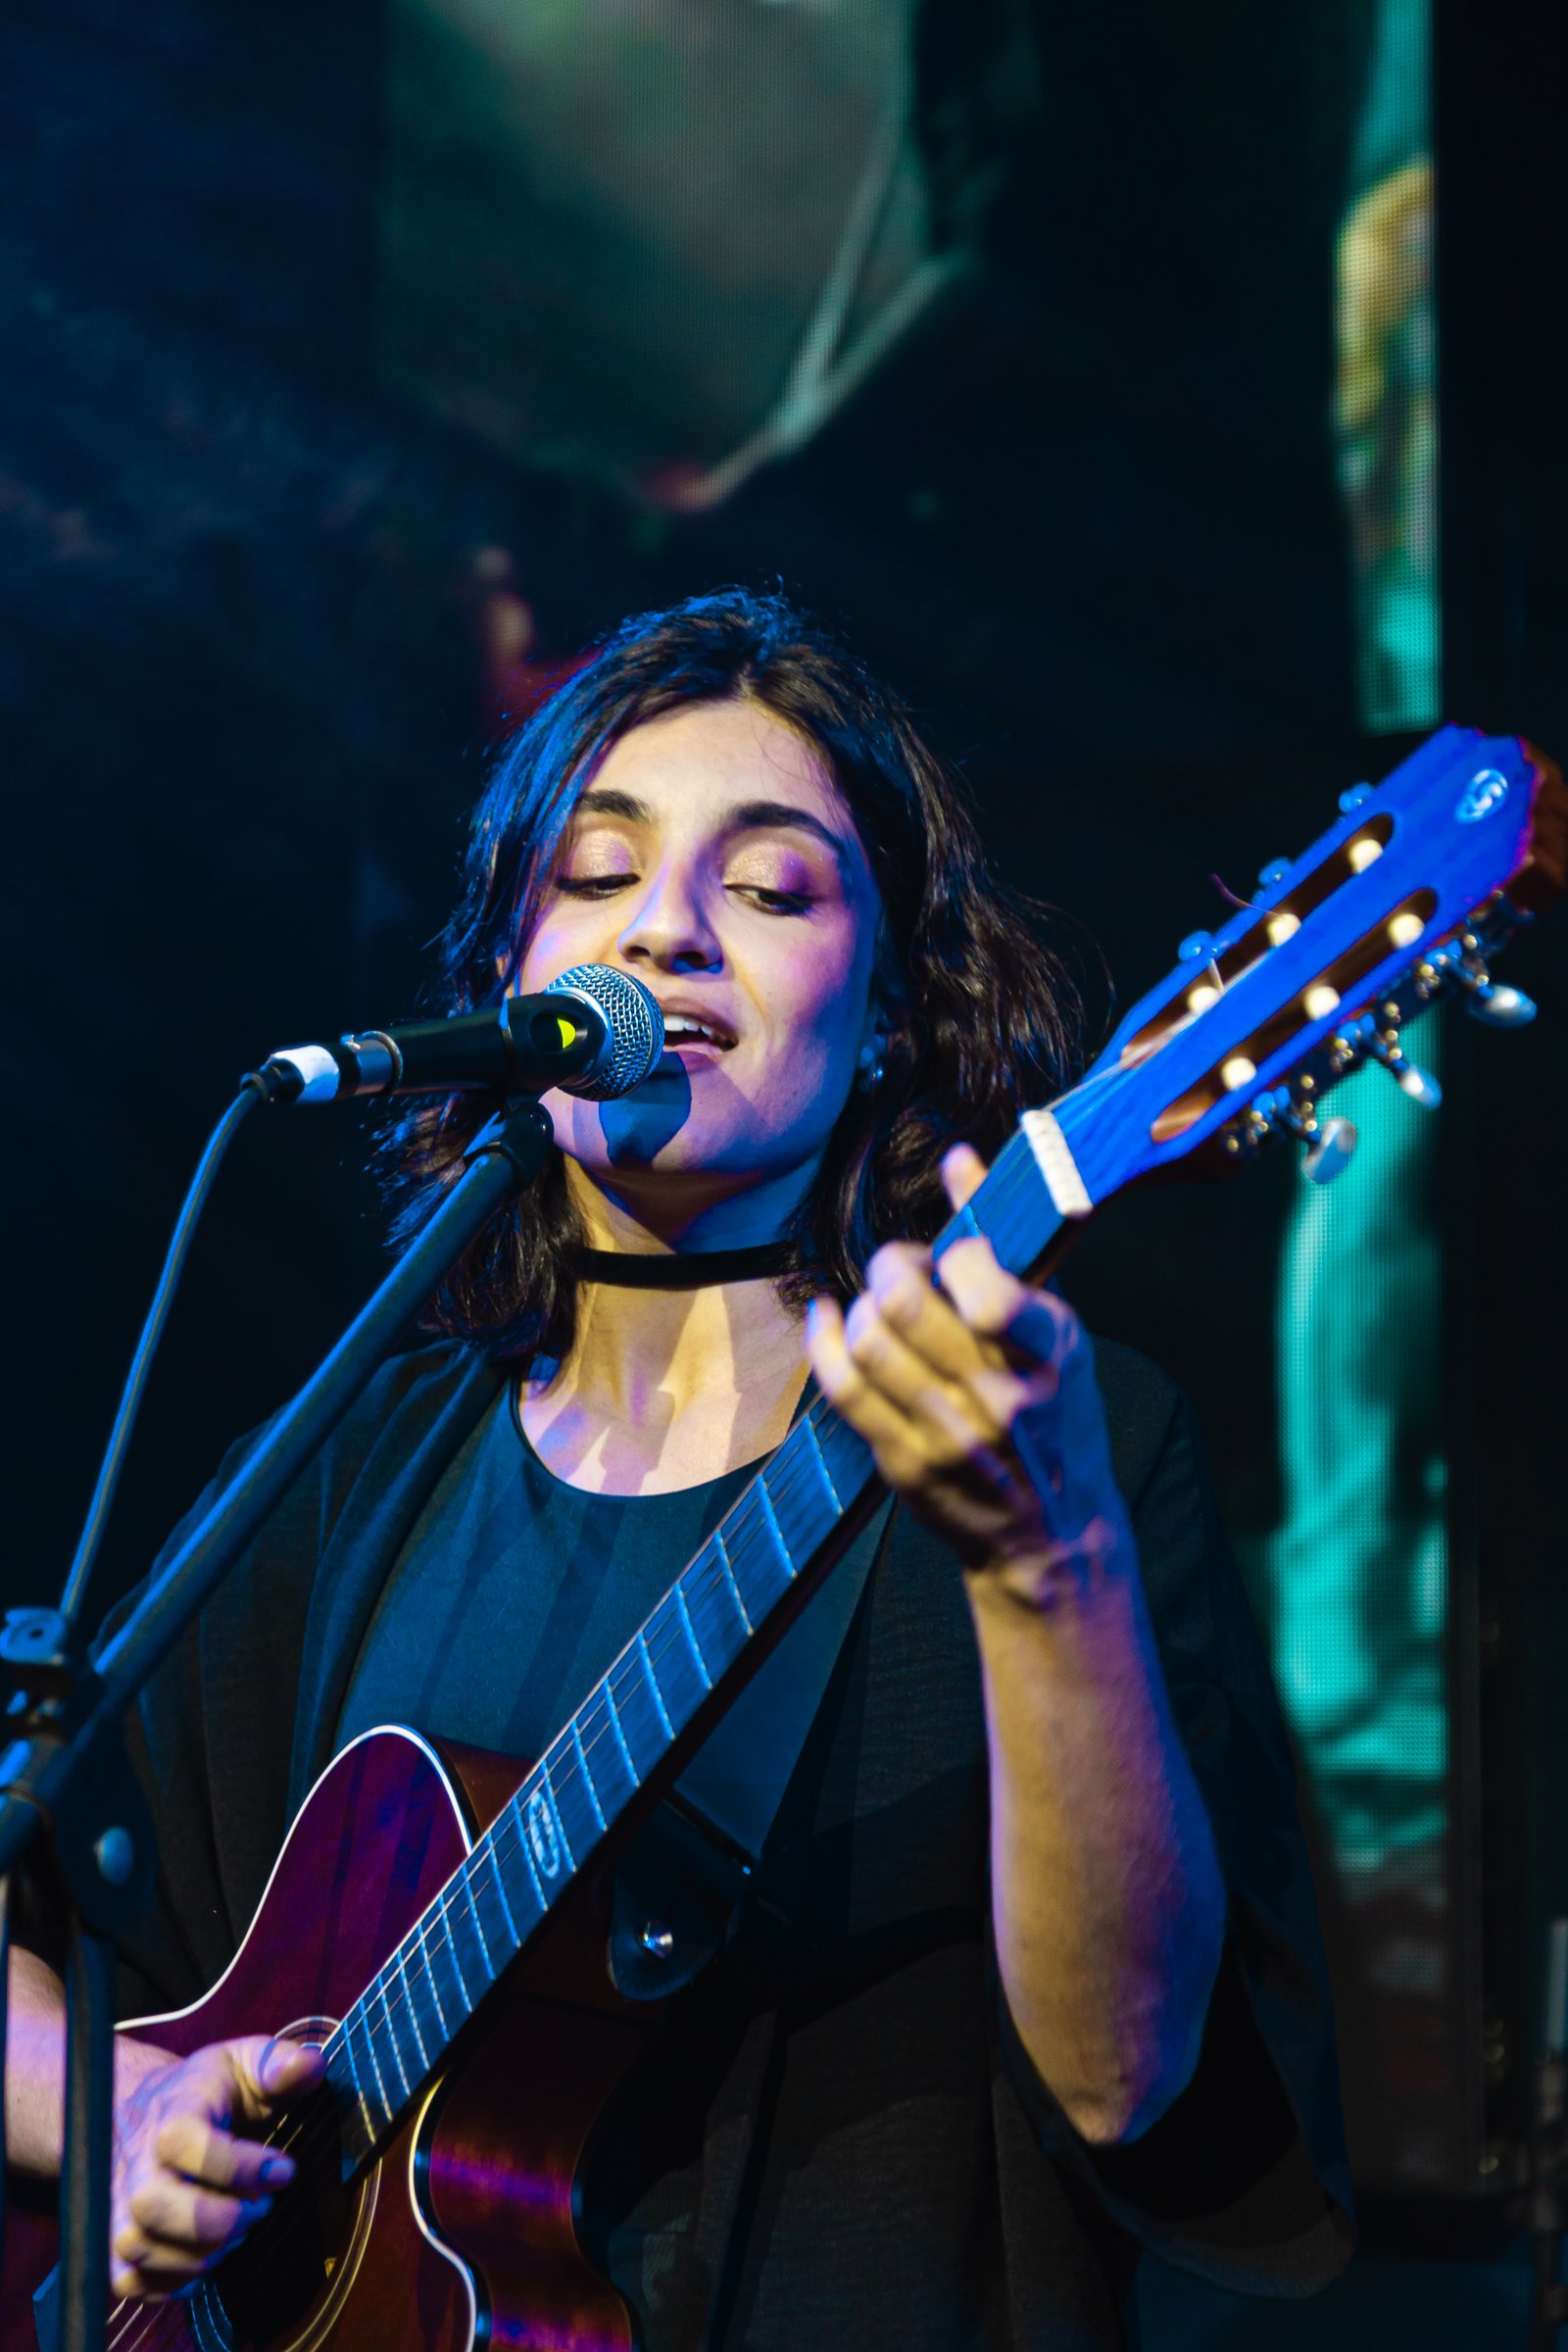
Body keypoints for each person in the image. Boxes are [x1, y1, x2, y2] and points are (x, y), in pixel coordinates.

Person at [7, 588, 1352, 2346]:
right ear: (511, 976)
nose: (669, 932)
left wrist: (1052, 1572)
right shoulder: (357, 1463)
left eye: (774, 888)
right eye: (596, 876)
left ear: (885, 1007)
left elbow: (1131, 2080)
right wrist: (134, 2121)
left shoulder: (1054, 1447)